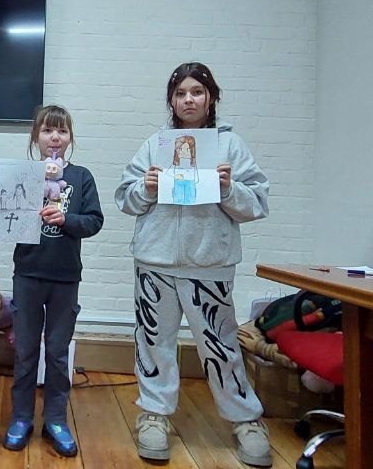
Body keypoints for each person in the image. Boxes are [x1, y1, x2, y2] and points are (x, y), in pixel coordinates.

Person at [114, 62, 272, 466]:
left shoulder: (230, 145)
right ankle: (154, 414)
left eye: (197, 92)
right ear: (171, 100)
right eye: (181, 93)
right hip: (156, 262)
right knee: (154, 343)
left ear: (211, 97)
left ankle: (245, 419)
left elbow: (257, 202)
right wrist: (145, 188)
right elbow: (125, 198)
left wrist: (228, 189)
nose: (189, 100)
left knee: (221, 345)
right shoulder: (155, 145)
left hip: (209, 264)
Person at [2, 105, 104, 457]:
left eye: (61, 131)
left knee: (58, 354)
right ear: (36, 137)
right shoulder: (22, 175)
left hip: (65, 277)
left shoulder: (81, 177)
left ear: (70, 137)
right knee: (25, 351)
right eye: (47, 130)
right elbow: (4, 217)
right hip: (28, 274)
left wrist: (66, 219)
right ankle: (21, 417)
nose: (54, 137)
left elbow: (94, 221)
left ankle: (56, 419)